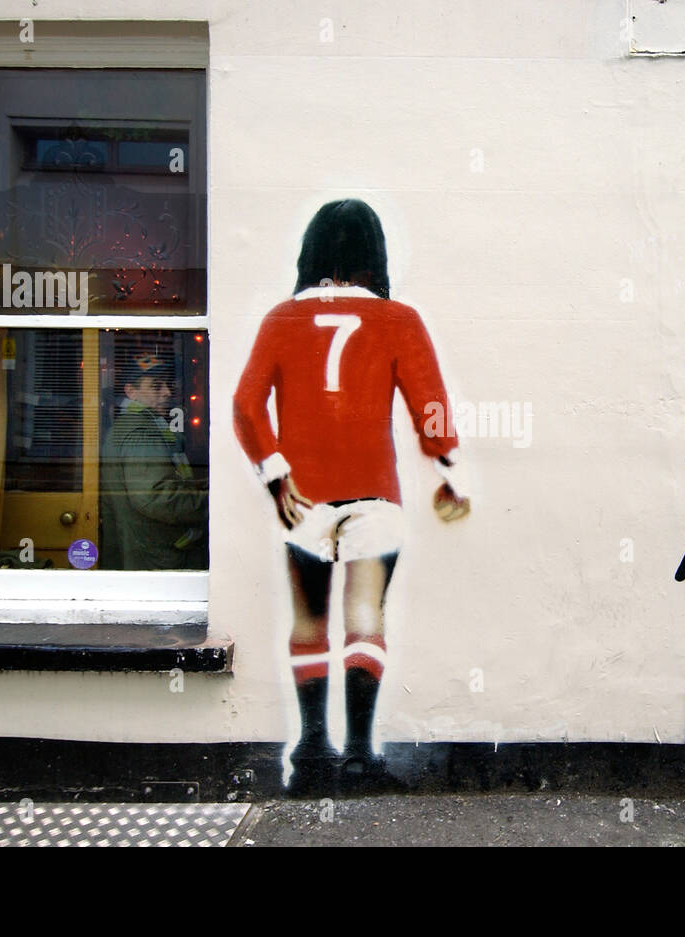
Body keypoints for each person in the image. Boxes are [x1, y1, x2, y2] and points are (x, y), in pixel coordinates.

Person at [233, 199, 471, 793]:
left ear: (311, 253)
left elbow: (244, 404)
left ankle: (312, 750)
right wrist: (448, 468)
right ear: (375, 256)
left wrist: (275, 472)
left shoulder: (280, 319)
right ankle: (362, 755)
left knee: (308, 618)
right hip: (374, 496)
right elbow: (430, 407)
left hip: (303, 497)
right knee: (365, 617)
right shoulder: (399, 319)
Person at [99, 351, 208, 570]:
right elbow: (154, 496)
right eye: (157, 386)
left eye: (167, 384)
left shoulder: (129, 426)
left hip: (145, 552)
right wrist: (211, 503)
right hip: (159, 557)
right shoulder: (142, 431)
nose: (167, 392)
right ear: (131, 392)